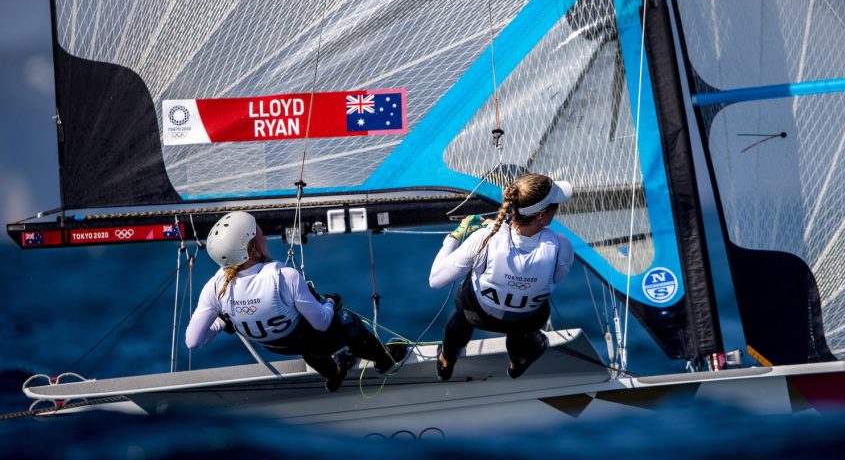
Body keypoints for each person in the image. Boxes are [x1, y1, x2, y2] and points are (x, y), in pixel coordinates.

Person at [185, 211, 407, 391]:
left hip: (277, 347)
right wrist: (330, 303)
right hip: (309, 339)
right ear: (251, 247)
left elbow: (193, 341)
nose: (263, 237)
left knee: (307, 343)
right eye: (259, 234)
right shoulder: (282, 276)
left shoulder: (214, 287)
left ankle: (333, 375)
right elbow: (322, 323)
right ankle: (385, 360)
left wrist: (223, 322)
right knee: (348, 321)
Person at [429, 173, 574, 380]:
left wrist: (455, 236)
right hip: (526, 322)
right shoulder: (562, 246)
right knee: (523, 316)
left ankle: (446, 361)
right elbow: (557, 279)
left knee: (463, 309)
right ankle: (517, 363)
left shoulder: (485, 237)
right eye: (555, 205)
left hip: (476, 315)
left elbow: (435, 280)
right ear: (542, 216)